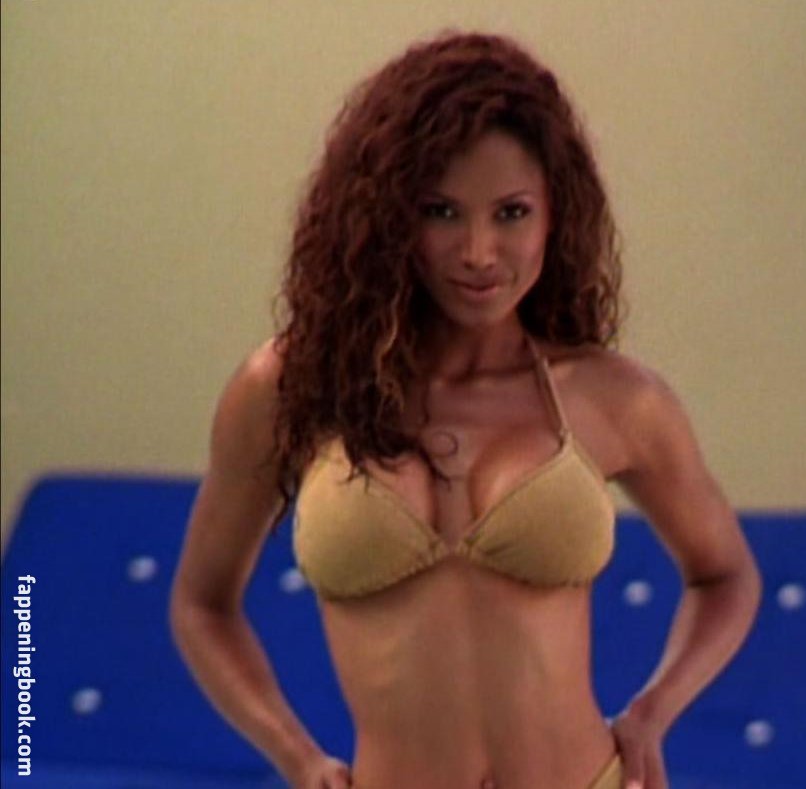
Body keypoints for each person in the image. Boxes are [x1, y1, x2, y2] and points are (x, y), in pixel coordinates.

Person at [169, 30, 761, 789]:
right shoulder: (297, 386)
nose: (479, 251)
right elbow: (202, 604)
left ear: (556, 215)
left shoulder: (616, 399)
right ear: (386, 216)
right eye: (442, 211)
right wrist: (298, 757)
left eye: (511, 212)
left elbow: (724, 576)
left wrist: (652, 712)